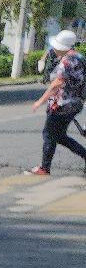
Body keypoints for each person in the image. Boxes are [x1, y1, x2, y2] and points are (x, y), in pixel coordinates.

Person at [28, 29, 86, 176]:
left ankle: (44, 168)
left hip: (62, 104)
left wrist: (40, 101)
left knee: (48, 133)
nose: (54, 49)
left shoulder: (66, 61)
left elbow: (57, 83)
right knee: (58, 135)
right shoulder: (80, 57)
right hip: (76, 103)